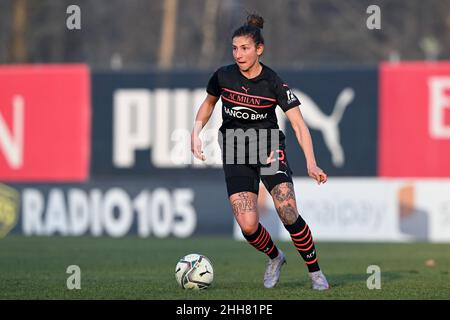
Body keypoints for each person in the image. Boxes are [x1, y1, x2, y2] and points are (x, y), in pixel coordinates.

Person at [191, 13, 329, 290]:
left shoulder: (273, 82)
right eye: (234, 48)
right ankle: (275, 257)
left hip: (268, 148)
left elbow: (299, 125)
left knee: (287, 210)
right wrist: (195, 132)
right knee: (249, 225)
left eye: (244, 48)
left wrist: (311, 163)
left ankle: (315, 272)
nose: (238, 54)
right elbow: (208, 104)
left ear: (259, 49)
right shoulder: (223, 76)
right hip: (235, 150)